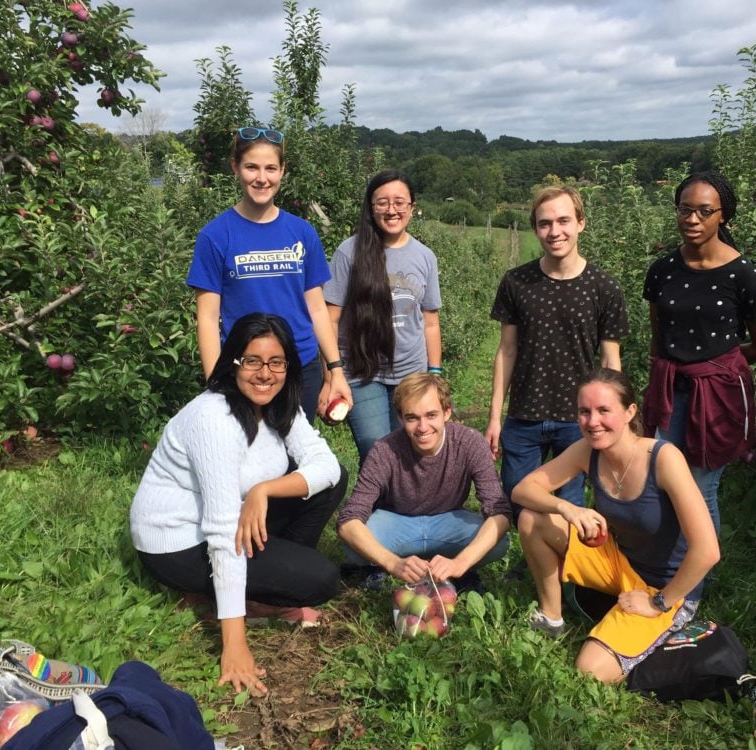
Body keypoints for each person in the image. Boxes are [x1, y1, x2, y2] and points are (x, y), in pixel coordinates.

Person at [130, 313, 348, 697]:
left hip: (237, 512)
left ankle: (266, 584)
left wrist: (263, 490)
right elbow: (221, 532)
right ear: (233, 364)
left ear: (288, 366)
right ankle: (242, 598)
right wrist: (234, 645)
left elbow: (327, 467)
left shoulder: (281, 404)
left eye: (275, 362)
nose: (265, 374)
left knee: (331, 483)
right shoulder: (214, 419)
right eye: (252, 361)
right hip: (178, 541)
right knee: (321, 580)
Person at [515, 368, 720, 684]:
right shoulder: (589, 451)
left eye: (603, 410)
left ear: (630, 412)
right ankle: (551, 618)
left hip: (665, 587)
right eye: (584, 411)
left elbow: (707, 551)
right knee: (532, 518)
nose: (592, 421)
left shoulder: (663, 459)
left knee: (589, 670)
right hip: (618, 563)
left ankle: (667, 629)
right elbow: (523, 489)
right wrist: (566, 507)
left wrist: (657, 603)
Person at [642, 171, 756, 531]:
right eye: (684, 210)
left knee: (701, 487)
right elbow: (659, 338)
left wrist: (719, 366)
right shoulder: (662, 270)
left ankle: (697, 581)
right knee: (661, 479)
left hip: (717, 394)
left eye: (704, 211)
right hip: (670, 389)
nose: (692, 220)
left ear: (723, 215)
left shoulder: (743, 275)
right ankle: (665, 562)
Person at [187, 126, 351, 419]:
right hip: (246, 371)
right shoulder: (214, 236)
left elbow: (316, 309)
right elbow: (208, 318)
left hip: (301, 367)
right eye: (251, 167)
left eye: (270, 168)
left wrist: (335, 370)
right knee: (251, 460)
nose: (262, 178)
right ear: (235, 167)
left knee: (294, 457)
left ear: (282, 171)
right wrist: (215, 383)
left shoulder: (302, 232)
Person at [485, 185, 630, 514]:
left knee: (570, 505)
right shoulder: (516, 282)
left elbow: (610, 360)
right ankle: (531, 564)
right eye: (544, 223)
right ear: (536, 228)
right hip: (523, 415)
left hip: (578, 418)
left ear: (581, 223)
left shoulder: (603, 287)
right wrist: (495, 417)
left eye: (563, 221)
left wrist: (613, 418)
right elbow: (506, 351)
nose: (555, 231)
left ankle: (566, 566)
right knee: (519, 502)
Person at [337, 373, 510, 590]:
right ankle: (381, 566)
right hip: (397, 521)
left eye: (431, 415)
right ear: (400, 418)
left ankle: (461, 572)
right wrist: (393, 563)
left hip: (448, 520)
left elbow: (499, 512)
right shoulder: (385, 450)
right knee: (352, 545)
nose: (422, 427)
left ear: (446, 413)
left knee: (498, 542)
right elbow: (349, 520)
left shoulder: (470, 443)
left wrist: (460, 562)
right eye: (412, 418)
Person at [324, 171, 442, 463]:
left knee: (413, 447)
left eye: (400, 202)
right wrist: (331, 375)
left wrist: (435, 374)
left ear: (413, 207)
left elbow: (430, 321)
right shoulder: (349, 252)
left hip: (412, 372)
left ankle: (408, 507)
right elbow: (329, 319)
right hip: (362, 371)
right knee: (375, 448)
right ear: (370, 207)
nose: (392, 210)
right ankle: (375, 507)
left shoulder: (424, 256)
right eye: (383, 203)